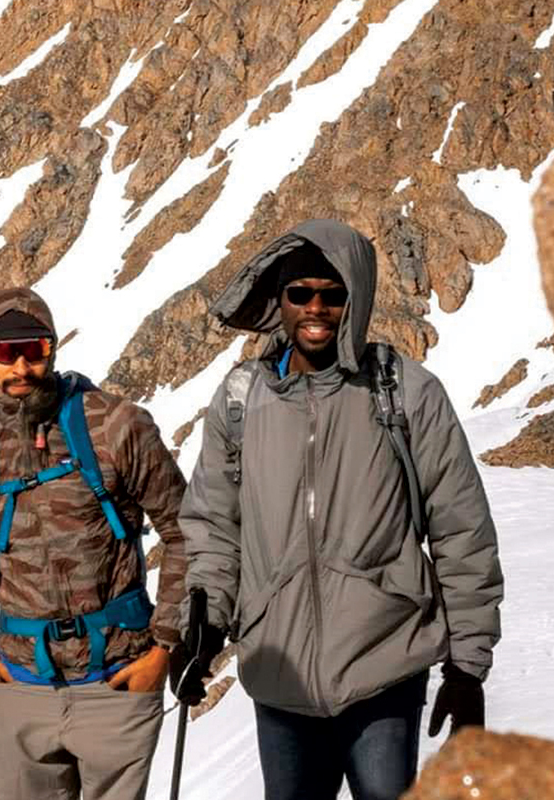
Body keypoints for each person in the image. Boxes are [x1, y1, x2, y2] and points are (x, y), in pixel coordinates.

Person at [176, 219, 504, 800]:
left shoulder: (403, 390)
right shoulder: (241, 399)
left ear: (355, 298)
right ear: (279, 302)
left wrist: (467, 666)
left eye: (333, 295)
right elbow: (214, 526)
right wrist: (202, 626)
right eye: (300, 294)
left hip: (384, 665)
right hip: (280, 674)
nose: (317, 309)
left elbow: (460, 526)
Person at [0, 287, 188, 800]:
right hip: (18, 683)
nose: (19, 365)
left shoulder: (116, 425)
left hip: (120, 677)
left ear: (53, 349)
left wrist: (164, 649)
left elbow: (186, 530)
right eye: (2, 352)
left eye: (33, 349)